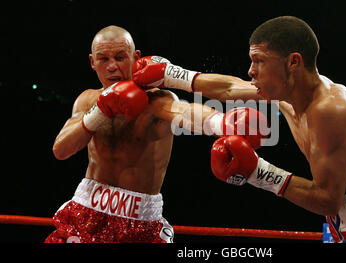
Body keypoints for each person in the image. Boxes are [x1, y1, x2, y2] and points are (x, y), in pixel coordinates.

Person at [132, 16, 346, 243]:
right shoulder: (287, 97)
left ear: (293, 62)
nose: (251, 70)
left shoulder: (330, 108)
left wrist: (257, 172)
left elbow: (328, 198)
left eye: (259, 61)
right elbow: (230, 87)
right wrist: (172, 75)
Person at [47, 25, 267, 243]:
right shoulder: (87, 99)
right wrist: (100, 112)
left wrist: (223, 122)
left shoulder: (156, 100)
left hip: (139, 219)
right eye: (103, 59)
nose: (112, 66)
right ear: (92, 62)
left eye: (120, 57)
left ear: (136, 57)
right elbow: (61, 150)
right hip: (85, 210)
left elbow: (185, 112)